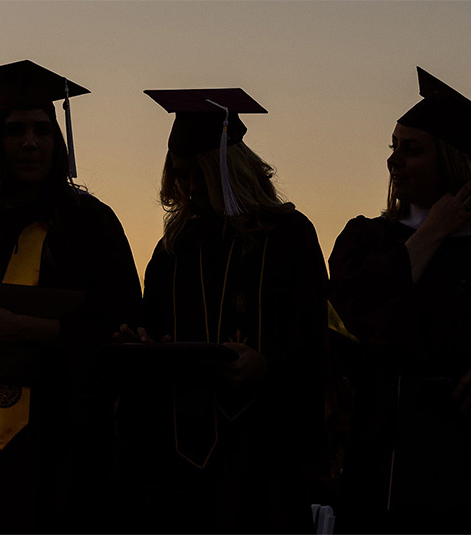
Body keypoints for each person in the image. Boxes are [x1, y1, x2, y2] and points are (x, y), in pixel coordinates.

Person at [0, 60, 141, 532]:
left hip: (61, 446)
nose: (30, 143)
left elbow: (123, 332)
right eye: (15, 131)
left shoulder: (91, 224)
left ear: (58, 141)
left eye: (42, 129)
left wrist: (24, 329)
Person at [115, 88, 326, 533]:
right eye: (181, 176)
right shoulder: (173, 248)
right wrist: (145, 345)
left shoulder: (288, 235)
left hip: (260, 447)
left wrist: (267, 364)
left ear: (230, 170)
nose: (190, 188)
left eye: (199, 175)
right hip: (178, 449)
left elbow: (313, 339)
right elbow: (151, 324)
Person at [329, 67, 471, 533]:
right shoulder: (367, 239)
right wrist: (434, 229)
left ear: (450, 160)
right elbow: (362, 315)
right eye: (393, 148)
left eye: (411, 150)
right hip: (385, 456)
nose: (394, 161)